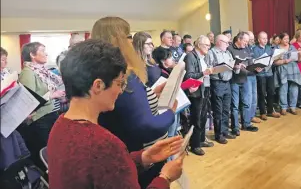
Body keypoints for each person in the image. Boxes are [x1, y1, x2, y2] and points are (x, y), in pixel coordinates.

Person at [47, 39, 184, 188]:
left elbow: (103, 170)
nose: (120, 91)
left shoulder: (59, 126)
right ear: (98, 85)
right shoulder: (104, 144)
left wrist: (143, 158)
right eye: (119, 83)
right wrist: (165, 177)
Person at [93, 17, 175, 188]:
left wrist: (151, 93)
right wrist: (170, 113)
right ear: (120, 41)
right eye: (128, 36)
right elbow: (146, 126)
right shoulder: (125, 76)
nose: (132, 42)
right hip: (141, 153)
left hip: (118, 150)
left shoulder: (100, 72)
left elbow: (127, 107)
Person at [18, 42, 65, 168]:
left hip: (50, 115)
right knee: (45, 154)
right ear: (32, 55)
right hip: (40, 119)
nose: (46, 54)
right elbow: (29, 100)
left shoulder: (42, 71)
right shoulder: (28, 72)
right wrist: (52, 95)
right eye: (42, 51)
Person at [184, 35, 213, 156]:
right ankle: (195, 145)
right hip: (195, 91)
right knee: (196, 118)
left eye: (209, 45)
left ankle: (201, 140)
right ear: (199, 45)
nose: (208, 47)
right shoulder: (190, 56)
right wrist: (204, 72)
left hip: (204, 88)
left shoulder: (202, 56)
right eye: (206, 45)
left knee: (203, 116)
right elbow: (189, 75)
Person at [228, 32, 260, 134]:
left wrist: (256, 68)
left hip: (245, 78)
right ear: (238, 39)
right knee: (235, 105)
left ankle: (246, 124)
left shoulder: (246, 48)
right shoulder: (230, 49)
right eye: (245, 41)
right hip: (234, 80)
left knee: (247, 103)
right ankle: (235, 127)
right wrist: (235, 66)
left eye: (247, 41)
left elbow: (250, 63)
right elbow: (228, 64)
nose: (246, 43)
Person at [206, 34, 235, 144]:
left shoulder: (227, 52)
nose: (228, 45)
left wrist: (235, 67)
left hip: (227, 82)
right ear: (218, 42)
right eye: (226, 42)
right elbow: (207, 69)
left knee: (226, 108)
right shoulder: (211, 53)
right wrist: (217, 68)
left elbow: (231, 64)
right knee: (218, 110)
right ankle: (218, 134)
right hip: (217, 83)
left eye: (228, 42)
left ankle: (225, 131)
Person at [252, 32, 281, 120]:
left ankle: (270, 111)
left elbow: (273, 59)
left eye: (266, 38)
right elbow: (255, 61)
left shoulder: (269, 48)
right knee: (262, 93)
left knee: (271, 92)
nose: (265, 40)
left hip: (269, 73)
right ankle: (262, 112)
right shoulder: (255, 49)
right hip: (260, 74)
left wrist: (277, 56)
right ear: (258, 40)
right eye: (263, 38)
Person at [273, 33, 301, 115]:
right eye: (285, 39)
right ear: (280, 40)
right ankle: (283, 107)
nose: (287, 40)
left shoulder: (292, 47)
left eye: (288, 39)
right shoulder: (276, 48)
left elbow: (299, 60)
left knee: (294, 88)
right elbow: (274, 62)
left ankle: (293, 107)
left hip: (293, 69)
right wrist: (284, 61)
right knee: (283, 88)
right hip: (282, 69)